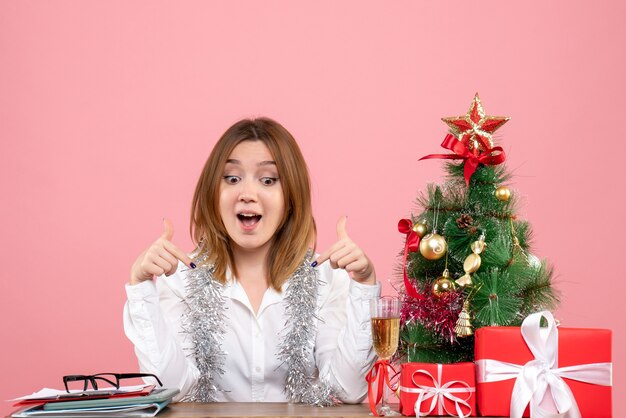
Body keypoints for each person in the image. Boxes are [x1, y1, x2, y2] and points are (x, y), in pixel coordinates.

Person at [123, 117, 380, 404]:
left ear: (291, 197)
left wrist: (364, 285)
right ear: (213, 192)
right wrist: (141, 286)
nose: (247, 194)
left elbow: (348, 389)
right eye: (232, 178)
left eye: (268, 180)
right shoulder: (180, 279)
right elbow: (171, 390)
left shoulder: (327, 278)